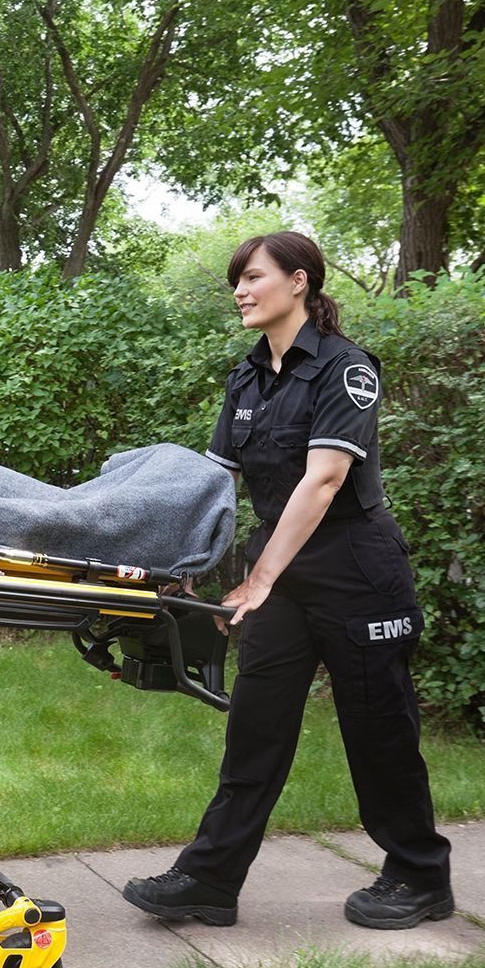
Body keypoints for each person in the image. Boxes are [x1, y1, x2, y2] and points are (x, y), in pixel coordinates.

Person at [121, 232, 453, 930]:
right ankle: (210, 879)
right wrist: (182, 570)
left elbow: (325, 479)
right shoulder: (246, 379)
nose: (240, 291)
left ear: (299, 281)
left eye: (253, 277)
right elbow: (214, 484)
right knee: (255, 725)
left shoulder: (345, 368)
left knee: (379, 730)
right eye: (236, 281)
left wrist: (260, 577)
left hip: (357, 568)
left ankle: (420, 876)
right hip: (280, 574)